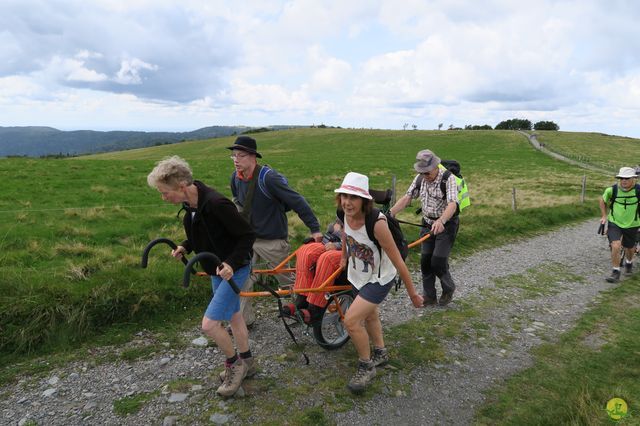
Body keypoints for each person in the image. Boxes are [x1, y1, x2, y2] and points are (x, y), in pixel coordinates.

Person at [147, 156, 256, 398]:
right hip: (216, 269)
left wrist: (231, 263)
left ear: (181, 187)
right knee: (234, 316)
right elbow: (205, 233)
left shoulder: (217, 204)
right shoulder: (191, 208)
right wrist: (185, 246)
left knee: (209, 325)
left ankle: (234, 365)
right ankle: (247, 361)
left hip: (234, 269)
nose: (163, 197)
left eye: (165, 193)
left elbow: (247, 236)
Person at [335, 172, 423, 394]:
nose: (347, 202)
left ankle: (366, 366)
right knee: (370, 315)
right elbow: (346, 233)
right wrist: (344, 256)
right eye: (344, 196)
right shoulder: (343, 212)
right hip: (358, 275)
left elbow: (398, 261)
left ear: (365, 200)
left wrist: (412, 294)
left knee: (352, 321)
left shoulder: (377, 223)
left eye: (353, 197)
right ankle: (381, 353)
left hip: (379, 277)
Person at [228, 136, 323, 326]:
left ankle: (294, 312)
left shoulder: (268, 178)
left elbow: (297, 201)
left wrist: (315, 229)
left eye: (241, 155)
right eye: (233, 156)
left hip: (273, 240)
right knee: (243, 279)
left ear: (253, 157)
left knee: (286, 280)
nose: (236, 160)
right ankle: (245, 321)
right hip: (248, 239)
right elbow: (238, 202)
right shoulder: (235, 178)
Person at [390, 149, 459, 307]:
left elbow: (452, 204)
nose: (425, 176)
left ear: (436, 167)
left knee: (438, 261)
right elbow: (407, 197)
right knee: (425, 261)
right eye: (422, 173)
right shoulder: (420, 179)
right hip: (427, 224)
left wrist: (441, 221)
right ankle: (429, 297)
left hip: (446, 225)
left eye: (427, 173)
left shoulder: (448, 179)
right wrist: (390, 213)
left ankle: (449, 288)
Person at [280, 219, 344, 323]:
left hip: (352, 250)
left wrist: (337, 245)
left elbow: (360, 242)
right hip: (334, 241)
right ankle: (302, 300)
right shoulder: (344, 209)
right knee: (305, 251)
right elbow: (334, 227)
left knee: (327, 259)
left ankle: (315, 308)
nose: (346, 202)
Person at [599, 166, 640, 283]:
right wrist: (604, 216)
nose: (624, 181)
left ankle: (629, 263)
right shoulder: (612, 190)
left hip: (633, 224)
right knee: (616, 245)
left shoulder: (638, 190)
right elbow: (602, 200)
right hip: (615, 223)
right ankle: (615, 271)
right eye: (621, 178)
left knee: (630, 248)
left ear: (633, 179)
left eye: (627, 178)